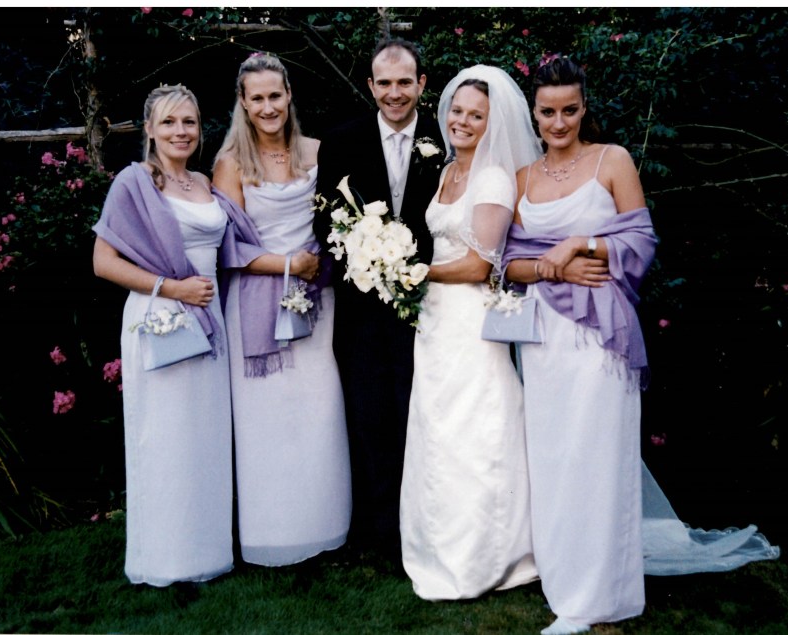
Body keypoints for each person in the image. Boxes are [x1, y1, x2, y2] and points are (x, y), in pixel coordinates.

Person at [505, 56, 780, 635]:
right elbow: (509, 264)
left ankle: (601, 598)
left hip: (602, 335)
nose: (559, 123)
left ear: (585, 107)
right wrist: (551, 268)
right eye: (548, 112)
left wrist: (583, 244)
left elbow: (641, 236)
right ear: (533, 112)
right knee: (553, 458)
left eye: (570, 110)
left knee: (598, 455)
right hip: (544, 340)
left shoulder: (613, 160)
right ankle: (563, 578)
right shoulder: (522, 178)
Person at [399, 65, 542, 600]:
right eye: (457, 111)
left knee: (473, 432)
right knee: (439, 431)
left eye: (475, 115)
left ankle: (492, 555)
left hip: (469, 319)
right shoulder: (448, 172)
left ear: (493, 122)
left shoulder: (492, 179)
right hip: (434, 320)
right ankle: (438, 546)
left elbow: (480, 265)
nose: (462, 121)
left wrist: (410, 270)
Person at [92, 84, 237, 586]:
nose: (181, 131)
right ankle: (165, 560)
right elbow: (102, 262)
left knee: (206, 434)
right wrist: (171, 287)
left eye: (190, 122)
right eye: (170, 122)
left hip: (210, 314)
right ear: (149, 129)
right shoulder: (134, 185)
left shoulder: (204, 182)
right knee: (166, 438)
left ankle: (209, 551)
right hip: (161, 317)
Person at [213, 52, 351, 566]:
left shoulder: (317, 152)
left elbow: (338, 223)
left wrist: (318, 262)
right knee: (267, 423)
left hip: (318, 301)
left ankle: (327, 529)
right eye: (257, 98)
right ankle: (272, 537)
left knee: (319, 414)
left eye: (276, 95)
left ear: (289, 95)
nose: (268, 106)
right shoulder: (230, 164)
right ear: (244, 104)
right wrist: (290, 264)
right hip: (258, 303)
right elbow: (231, 249)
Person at [315, 38, 445, 557]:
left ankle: (425, 524)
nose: (395, 94)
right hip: (362, 307)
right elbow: (328, 217)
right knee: (368, 414)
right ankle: (377, 533)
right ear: (370, 86)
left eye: (404, 83)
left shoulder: (445, 139)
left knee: (421, 412)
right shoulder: (341, 139)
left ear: (421, 85)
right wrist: (370, 259)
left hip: (429, 303)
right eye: (384, 83)